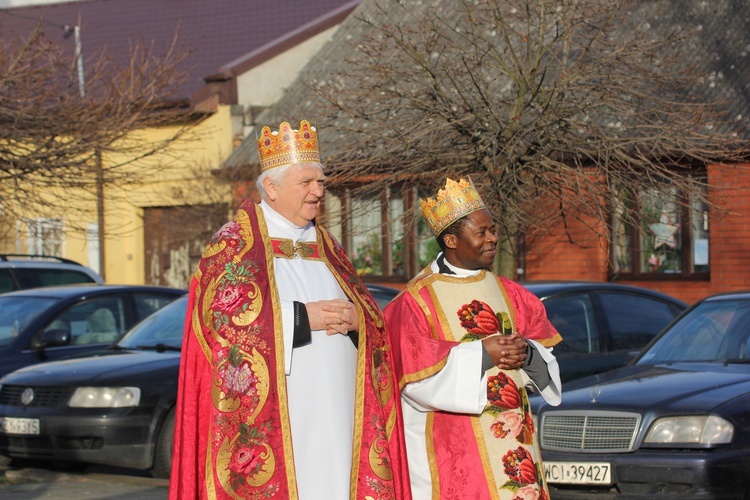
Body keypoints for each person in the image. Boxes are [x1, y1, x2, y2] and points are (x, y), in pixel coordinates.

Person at [169, 120, 410, 500]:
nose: (318, 192)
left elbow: (372, 321)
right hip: (281, 418)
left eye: (321, 183)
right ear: (272, 187)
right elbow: (223, 328)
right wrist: (301, 318)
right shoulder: (234, 244)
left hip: (341, 411)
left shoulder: (328, 245)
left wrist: (358, 321)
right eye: (307, 183)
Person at [383, 177, 563, 499]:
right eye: (482, 232)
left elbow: (545, 370)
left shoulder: (514, 295)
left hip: (518, 448)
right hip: (456, 456)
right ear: (451, 240)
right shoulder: (415, 302)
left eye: (492, 229)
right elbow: (411, 383)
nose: (493, 238)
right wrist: (482, 354)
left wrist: (527, 354)